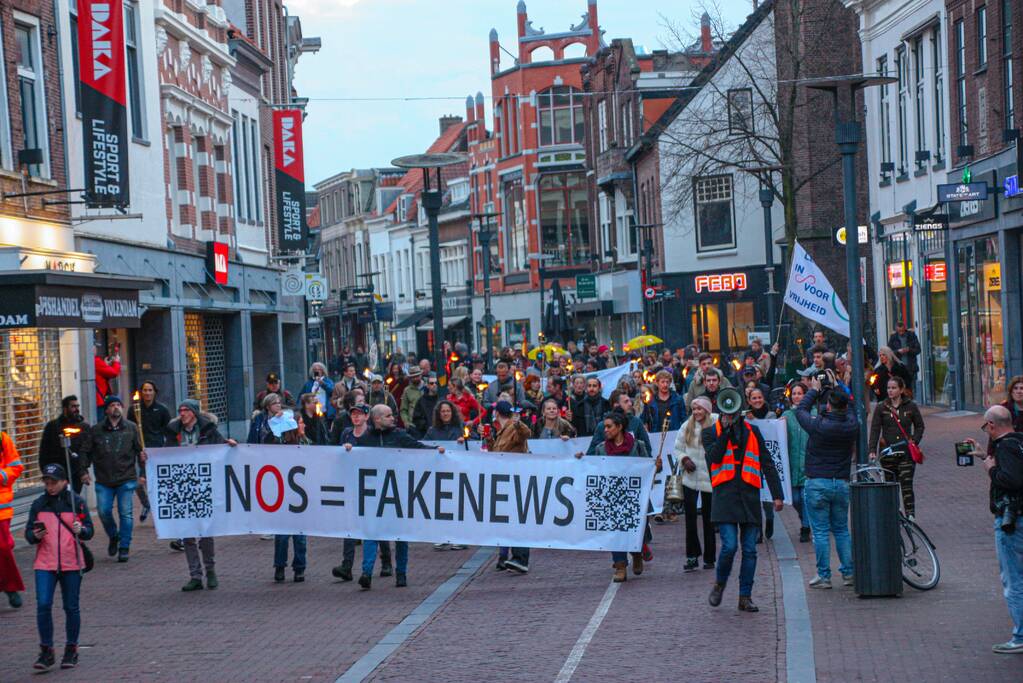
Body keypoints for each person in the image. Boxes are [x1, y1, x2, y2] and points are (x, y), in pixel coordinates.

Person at [346, 405, 442, 588]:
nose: (393, 418)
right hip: (375, 494)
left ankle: (401, 573)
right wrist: (349, 450)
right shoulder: (366, 438)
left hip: (398, 492)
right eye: (388, 416)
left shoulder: (399, 435)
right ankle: (366, 573)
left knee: (400, 535)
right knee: (371, 532)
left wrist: (436, 450)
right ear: (377, 419)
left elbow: (418, 448)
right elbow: (355, 458)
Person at [704, 407, 784, 613]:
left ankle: (745, 596)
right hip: (725, 499)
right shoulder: (710, 433)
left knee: (750, 550)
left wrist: (777, 494)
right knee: (729, 546)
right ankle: (720, 583)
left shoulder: (753, 431)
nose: (729, 415)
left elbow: (767, 462)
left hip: (749, 497)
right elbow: (714, 458)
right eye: (726, 412)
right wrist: (725, 433)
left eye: (733, 412)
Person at [965, 406, 1023, 653]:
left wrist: (990, 468)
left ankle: (1020, 635)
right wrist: (984, 456)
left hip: (1012, 520)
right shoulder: (1019, 442)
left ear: (991, 425)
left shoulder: (1005, 447)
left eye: (985, 426)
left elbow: (1011, 480)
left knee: (1013, 579)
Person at [25, 463, 94, 670]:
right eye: (47, 483)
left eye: (53, 483)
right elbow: (29, 533)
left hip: (71, 562)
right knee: (43, 605)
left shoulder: (76, 503)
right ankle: (46, 650)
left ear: (64, 481)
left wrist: (81, 530)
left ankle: (71, 649)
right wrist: (35, 535)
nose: (50, 487)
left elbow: (89, 531)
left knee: (71, 606)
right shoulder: (39, 504)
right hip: (45, 562)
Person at [577, 411, 657, 582]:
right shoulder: (601, 449)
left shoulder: (638, 446)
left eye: (609, 426)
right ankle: (620, 565)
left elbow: (647, 467)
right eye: (604, 427)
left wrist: (656, 465)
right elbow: (593, 468)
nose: (605, 430)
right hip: (612, 497)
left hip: (635, 497)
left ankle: (637, 553)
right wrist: (582, 459)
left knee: (637, 529)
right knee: (615, 532)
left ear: (619, 427)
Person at [165, 399, 236, 591]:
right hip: (182, 486)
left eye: (186, 410)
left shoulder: (208, 430)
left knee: (205, 532)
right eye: (180, 410)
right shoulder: (173, 432)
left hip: (205, 486)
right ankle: (195, 575)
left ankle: (210, 571)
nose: (182, 413)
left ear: (194, 413)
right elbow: (165, 454)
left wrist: (229, 445)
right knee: (188, 533)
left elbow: (220, 447)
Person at [796, 376, 859, 589]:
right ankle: (849, 573)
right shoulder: (851, 424)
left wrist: (814, 390)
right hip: (840, 483)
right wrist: (839, 385)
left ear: (829, 406)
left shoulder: (819, 425)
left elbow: (801, 410)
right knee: (841, 530)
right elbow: (851, 406)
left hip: (817, 482)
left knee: (821, 532)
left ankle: (824, 576)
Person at [80, 396, 141, 563]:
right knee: (103, 511)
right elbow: (86, 451)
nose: (116, 407)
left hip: (126, 477)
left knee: (126, 513)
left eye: (118, 405)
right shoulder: (96, 430)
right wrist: (83, 471)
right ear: (106, 410)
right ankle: (114, 535)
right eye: (112, 405)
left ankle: (124, 547)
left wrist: (143, 472)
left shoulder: (131, 428)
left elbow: (139, 450)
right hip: (104, 479)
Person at [331, 404, 378, 581]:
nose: (356, 417)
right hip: (351, 483)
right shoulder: (346, 433)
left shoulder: (372, 434)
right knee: (350, 525)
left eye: (359, 414)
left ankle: (386, 561)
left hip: (370, 484)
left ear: (366, 416)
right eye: (353, 414)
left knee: (373, 525)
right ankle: (347, 565)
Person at [867, 376, 925, 519]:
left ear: (901, 389)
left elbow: (920, 426)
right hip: (888, 453)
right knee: (891, 486)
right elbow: (875, 429)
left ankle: (910, 516)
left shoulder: (910, 406)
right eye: (888, 388)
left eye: (893, 388)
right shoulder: (882, 407)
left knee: (907, 485)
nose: (890, 391)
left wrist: (914, 441)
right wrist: (872, 450)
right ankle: (894, 515)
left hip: (906, 453)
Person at [263, 409, 309, 583]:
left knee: (300, 536)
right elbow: (265, 442)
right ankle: (280, 566)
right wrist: (275, 423)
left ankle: (299, 568)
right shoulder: (279, 444)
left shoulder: (306, 442)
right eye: (301, 422)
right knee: (282, 536)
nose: (304, 425)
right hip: (282, 495)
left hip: (301, 497)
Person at [486, 400, 532, 573]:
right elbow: (496, 454)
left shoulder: (513, 427)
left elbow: (525, 434)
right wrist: (489, 438)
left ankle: (521, 558)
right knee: (509, 519)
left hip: (516, 478)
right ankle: (509, 557)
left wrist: (518, 423)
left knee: (517, 518)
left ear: (497, 413)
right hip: (506, 480)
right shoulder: (502, 432)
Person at [674, 397, 716, 572]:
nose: (697, 412)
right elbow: (678, 448)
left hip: (710, 479)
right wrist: (684, 459)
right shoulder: (687, 426)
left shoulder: (715, 423)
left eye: (700, 409)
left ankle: (709, 557)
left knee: (709, 519)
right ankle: (692, 556)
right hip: (690, 478)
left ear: (707, 410)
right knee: (690, 519)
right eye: (694, 409)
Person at [127, 381, 171, 521]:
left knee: (154, 482)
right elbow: (129, 428)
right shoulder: (134, 409)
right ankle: (146, 504)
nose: (147, 393)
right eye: (145, 390)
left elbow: (168, 430)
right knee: (137, 481)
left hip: (155, 450)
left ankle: (159, 511)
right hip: (138, 449)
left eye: (150, 390)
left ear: (154, 392)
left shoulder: (162, 410)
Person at [38, 396, 92, 494]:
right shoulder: (53, 426)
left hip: (75, 473)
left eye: (77, 406)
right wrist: (46, 472)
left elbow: (86, 451)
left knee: (73, 499)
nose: (76, 409)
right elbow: (44, 451)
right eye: (73, 406)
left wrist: (83, 471)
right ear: (65, 409)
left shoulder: (84, 427)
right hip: (55, 474)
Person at [782, 382, 812, 542]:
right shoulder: (786, 415)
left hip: (808, 463)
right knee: (795, 499)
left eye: (799, 393)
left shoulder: (812, 413)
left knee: (805, 497)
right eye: (794, 393)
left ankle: (805, 527)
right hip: (792, 463)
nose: (796, 396)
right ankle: (804, 517)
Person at [1, 429, 25, 609]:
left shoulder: (2, 438)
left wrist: (2, 475)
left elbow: (16, 466)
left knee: (3, 547)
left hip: (1, 509)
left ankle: (10, 586)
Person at [587, 392, 653, 455]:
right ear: (616, 405)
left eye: (630, 401)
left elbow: (647, 448)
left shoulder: (636, 422)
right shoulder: (602, 426)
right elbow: (592, 453)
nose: (630, 404)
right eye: (626, 402)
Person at [887, 321, 921, 386]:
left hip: (911, 368)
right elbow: (889, 352)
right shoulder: (893, 337)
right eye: (899, 331)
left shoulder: (911, 335)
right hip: (898, 368)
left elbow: (918, 350)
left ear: (905, 328)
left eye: (902, 330)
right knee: (900, 387)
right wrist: (898, 351)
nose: (901, 332)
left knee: (911, 387)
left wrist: (909, 350)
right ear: (896, 330)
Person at [93, 341, 120, 414]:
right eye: (95, 346)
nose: (96, 349)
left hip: (98, 399)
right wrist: (116, 362)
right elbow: (114, 373)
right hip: (99, 401)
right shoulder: (95, 361)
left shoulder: (93, 361)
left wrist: (105, 365)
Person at [411, 373, 441, 438]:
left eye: (436, 383)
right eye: (431, 383)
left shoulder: (442, 400)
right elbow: (416, 418)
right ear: (427, 385)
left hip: (441, 432)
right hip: (426, 434)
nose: (434, 385)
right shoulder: (421, 401)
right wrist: (426, 426)